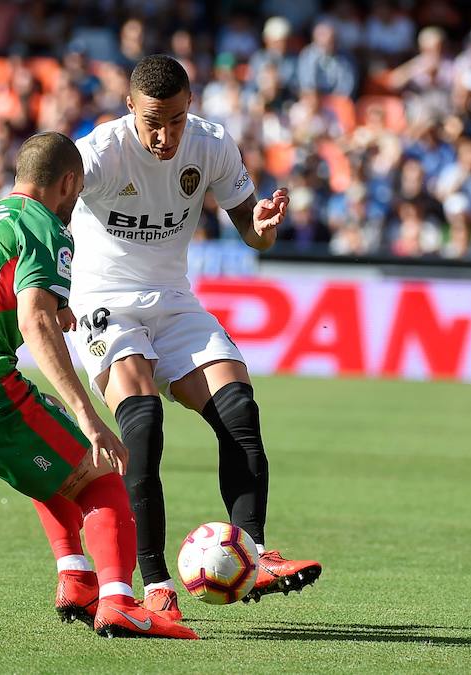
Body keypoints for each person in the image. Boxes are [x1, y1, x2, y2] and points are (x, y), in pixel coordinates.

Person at [0, 131, 197, 640]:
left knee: (49, 439)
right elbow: (36, 322)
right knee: (100, 473)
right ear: (69, 182)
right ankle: (119, 602)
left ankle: (75, 575)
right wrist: (92, 418)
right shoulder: (42, 225)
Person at [68, 55, 322, 621]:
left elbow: (251, 235)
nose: (165, 136)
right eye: (154, 121)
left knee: (239, 410)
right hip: (104, 302)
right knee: (144, 423)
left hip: (175, 299)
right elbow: (44, 213)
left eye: (177, 120)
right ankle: (155, 582)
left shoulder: (210, 144)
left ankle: (253, 553)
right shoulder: (99, 154)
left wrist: (262, 226)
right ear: (129, 106)